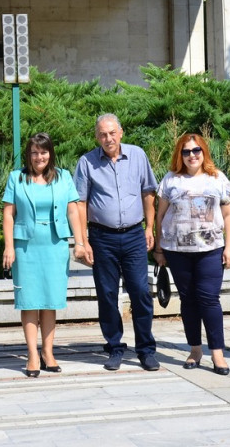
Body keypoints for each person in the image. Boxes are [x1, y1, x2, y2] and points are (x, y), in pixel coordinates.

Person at [74, 113, 159, 371]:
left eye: (112, 133)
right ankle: (114, 346)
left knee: (141, 292)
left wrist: (150, 227)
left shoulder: (137, 155)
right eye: (102, 134)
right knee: (107, 295)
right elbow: (80, 203)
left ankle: (146, 349)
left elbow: (148, 192)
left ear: (121, 132)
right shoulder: (87, 162)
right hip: (102, 238)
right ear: (96, 136)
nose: (108, 138)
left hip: (134, 235)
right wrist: (83, 240)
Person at [2, 133, 89, 377]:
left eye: (44, 152)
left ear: (50, 153)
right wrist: (9, 246)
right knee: (29, 301)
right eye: (34, 152)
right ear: (28, 155)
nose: (39, 157)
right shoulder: (16, 178)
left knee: (50, 301)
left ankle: (48, 352)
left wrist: (79, 242)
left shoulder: (63, 177)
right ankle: (32, 354)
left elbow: (73, 210)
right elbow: (8, 213)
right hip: (26, 247)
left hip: (55, 245)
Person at [153, 133, 230, 376]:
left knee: (209, 300)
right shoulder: (171, 180)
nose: (192, 155)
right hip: (178, 251)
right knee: (188, 301)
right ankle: (195, 349)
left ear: (204, 152)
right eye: (186, 151)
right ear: (179, 154)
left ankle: (218, 353)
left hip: (210, 250)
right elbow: (160, 216)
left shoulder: (217, 178)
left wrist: (229, 247)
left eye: (196, 150)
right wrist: (159, 249)